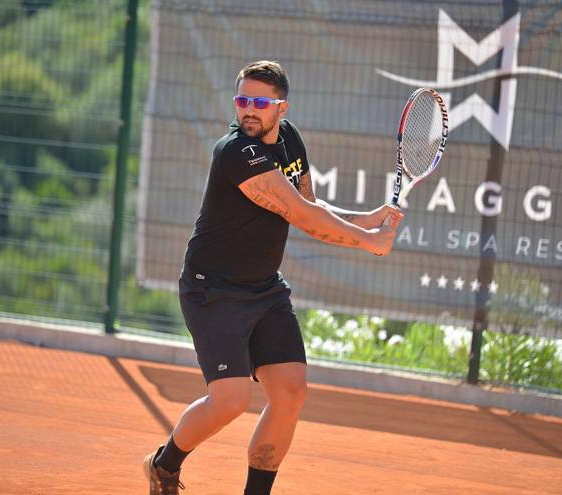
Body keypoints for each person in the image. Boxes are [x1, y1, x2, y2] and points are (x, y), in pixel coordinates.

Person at [143, 60, 403, 495]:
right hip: (214, 290)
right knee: (230, 401)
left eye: (260, 103)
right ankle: (164, 465)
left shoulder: (291, 139)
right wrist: (368, 240)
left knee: (291, 393)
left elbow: (311, 205)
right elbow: (299, 215)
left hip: (264, 289)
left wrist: (367, 220)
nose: (248, 110)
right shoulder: (235, 152)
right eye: (242, 100)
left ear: (281, 108)